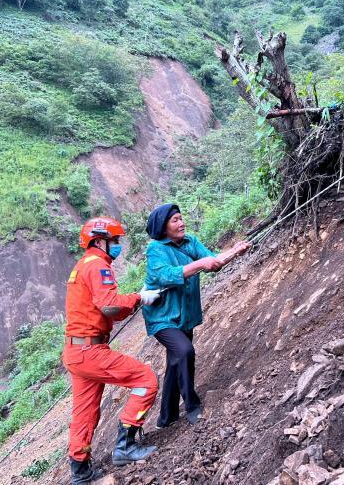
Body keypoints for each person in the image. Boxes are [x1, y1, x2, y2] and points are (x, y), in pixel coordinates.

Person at [63, 216, 163, 484]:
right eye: (115, 241)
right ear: (99, 241)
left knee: (84, 413)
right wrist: (140, 297)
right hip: (90, 351)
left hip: (76, 351)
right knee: (146, 380)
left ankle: (80, 473)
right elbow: (109, 306)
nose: (117, 246)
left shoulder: (82, 265)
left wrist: (132, 301)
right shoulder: (98, 266)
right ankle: (126, 446)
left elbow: (109, 311)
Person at [143, 204, 251, 428]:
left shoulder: (190, 242)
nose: (181, 223)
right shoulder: (156, 249)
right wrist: (200, 263)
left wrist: (234, 252)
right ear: (163, 227)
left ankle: (166, 418)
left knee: (175, 361)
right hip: (163, 316)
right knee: (184, 351)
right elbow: (165, 275)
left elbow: (212, 261)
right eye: (175, 221)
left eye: (181, 219)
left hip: (185, 315)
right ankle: (191, 406)